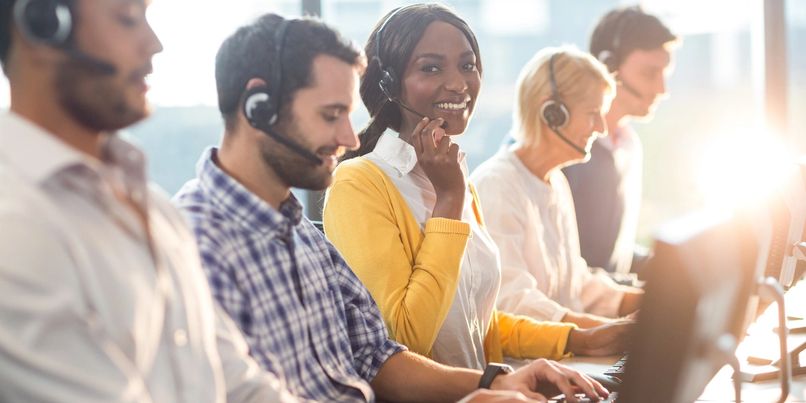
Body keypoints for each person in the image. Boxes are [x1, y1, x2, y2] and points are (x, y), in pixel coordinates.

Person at [173, 12, 609, 403]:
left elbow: (378, 357)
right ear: (258, 107)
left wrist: (495, 383)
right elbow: (407, 336)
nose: (348, 138)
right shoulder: (193, 247)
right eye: (330, 115)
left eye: (467, 65)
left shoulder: (302, 236)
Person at [0, 0, 299, 401]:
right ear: (43, 23)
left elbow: (237, 381)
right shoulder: (15, 225)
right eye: (127, 18)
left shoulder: (154, 209)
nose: (155, 44)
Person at [323, 3, 628, 372]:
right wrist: (449, 201)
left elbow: (474, 318)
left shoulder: (456, 177)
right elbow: (403, 340)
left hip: (493, 392)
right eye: (431, 67)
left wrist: (577, 339)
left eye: (467, 65)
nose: (458, 83)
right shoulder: (359, 183)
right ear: (389, 83)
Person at [471, 47, 644, 330]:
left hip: (568, 353)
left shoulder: (555, 181)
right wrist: (601, 331)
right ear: (552, 112)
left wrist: (649, 303)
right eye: (592, 114)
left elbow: (575, 285)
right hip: (525, 366)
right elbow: (512, 302)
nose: (601, 128)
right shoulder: (497, 185)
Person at [562, 6, 679, 276]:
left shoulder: (628, 145)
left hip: (611, 304)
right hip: (576, 314)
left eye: (665, 74)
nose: (662, 90)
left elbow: (611, 254)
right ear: (607, 68)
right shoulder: (565, 151)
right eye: (650, 74)